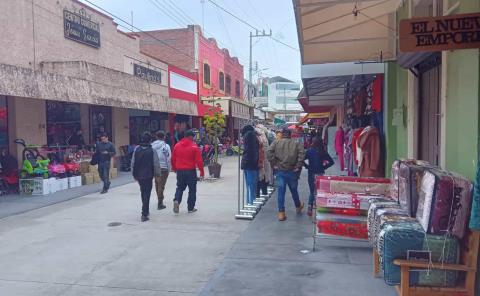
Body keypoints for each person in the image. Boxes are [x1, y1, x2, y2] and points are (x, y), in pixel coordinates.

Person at [267, 128, 305, 221]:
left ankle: (281, 213)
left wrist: (274, 163)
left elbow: (269, 152)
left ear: (282, 134)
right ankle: (298, 206)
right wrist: (298, 165)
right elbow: (302, 154)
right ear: (290, 134)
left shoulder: (276, 142)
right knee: (294, 190)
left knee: (281, 192)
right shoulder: (296, 143)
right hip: (292, 170)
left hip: (280, 170)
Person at [171, 130, 204, 214]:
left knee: (180, 187)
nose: (193, 139)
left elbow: (173, 159)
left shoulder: (177, 145)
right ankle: (190, 208)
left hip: (180, 171)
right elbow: (199, 161)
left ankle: (177, 200)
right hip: (190, 171)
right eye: (193, 137)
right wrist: (201, 172)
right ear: (190, 136)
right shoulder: (194, 146)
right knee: (192, 190)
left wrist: (174, 168)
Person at [304, 137, 334, 216]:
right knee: (319, 192)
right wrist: (324, 167)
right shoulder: (323, 152)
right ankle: (319, 208)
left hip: (311, 173)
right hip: (320, 173)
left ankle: (310, 208)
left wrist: (307, 166)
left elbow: (301, 160)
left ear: (313, 142)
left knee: (312, 191)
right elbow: (331, 162)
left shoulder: (309, 151)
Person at [131, 132, 155, 222]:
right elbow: (155, 163)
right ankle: (144, 213)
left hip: (139, 175)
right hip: (149, 175)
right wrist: (157, 174)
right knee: (147, 193)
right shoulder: (152, 150)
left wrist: (134, 174)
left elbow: (133, 162)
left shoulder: (137, 149)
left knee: (143, 191)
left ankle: (145, 210)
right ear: (150, 140)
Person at [152, 130, 171, 210]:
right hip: (164, 168)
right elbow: (169, 157)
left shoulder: (152, 146)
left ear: (156, 137)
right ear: (164, 137)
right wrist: (169, 168)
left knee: (157, 184)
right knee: (161, 185)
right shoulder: (166, 146)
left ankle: (159, 199)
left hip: (155, 167)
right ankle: (160, 202)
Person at [241, 125, 259, 206]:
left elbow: (249, 151)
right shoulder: (252, 135)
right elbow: (252, 151)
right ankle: (250, 201)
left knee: (249, 184)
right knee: (251, 184)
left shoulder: (249, 135)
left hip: (248, 163)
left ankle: (250, 202)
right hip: (251, 163)